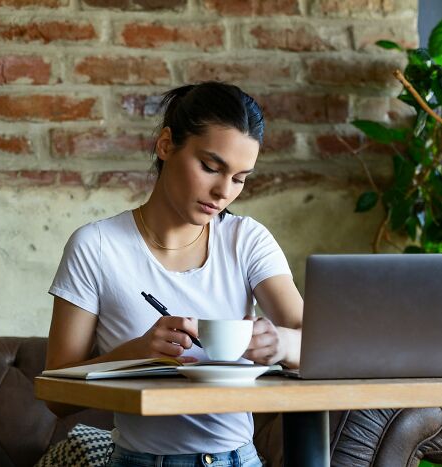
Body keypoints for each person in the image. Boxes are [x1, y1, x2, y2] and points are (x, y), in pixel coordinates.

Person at [45, 81, 304, 466]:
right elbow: (55, 395)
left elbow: (321, 346)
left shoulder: (246, 240)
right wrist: (137, 354)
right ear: (166, 145)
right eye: (211, 167)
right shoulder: (96, 246)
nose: (222, 193)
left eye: (239, 178)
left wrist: (281, 344)